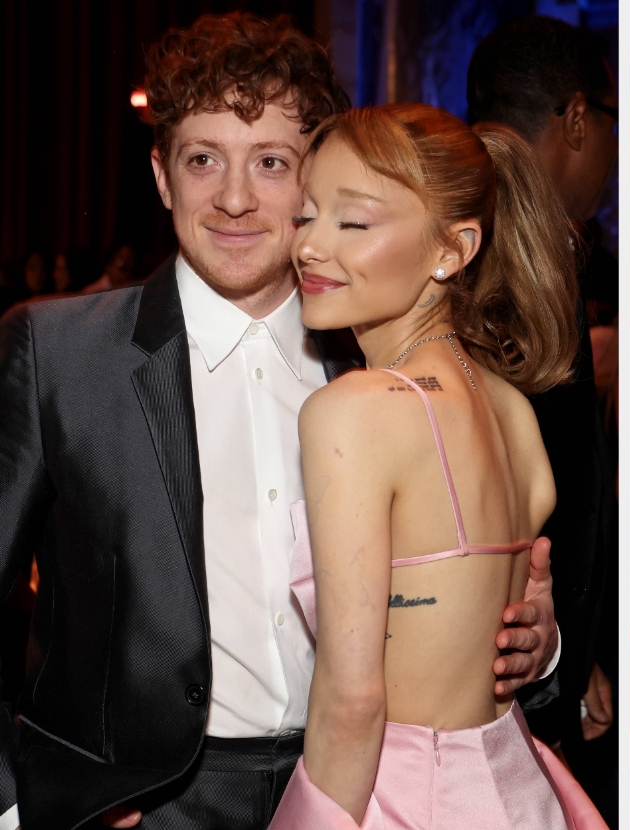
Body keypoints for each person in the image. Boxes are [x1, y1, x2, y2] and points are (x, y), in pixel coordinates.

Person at [0, 14, 559, 830]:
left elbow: (460, 594)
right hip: (143, 808)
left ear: (315, 179)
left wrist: (525, 646)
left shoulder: (380, 363)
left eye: (270, 163)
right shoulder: (58, 353)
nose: (233, 198)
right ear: (162, 177)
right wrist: (24, 803)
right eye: (202, 161)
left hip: (366, 794)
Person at [267, 103, 606, 830]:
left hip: (393, 796)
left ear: (452, 249)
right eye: (306, 216)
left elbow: (354, 701)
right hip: (517, 788)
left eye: (352, 223)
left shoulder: (354, 409)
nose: (310, 247)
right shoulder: (514, 410)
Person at [467, 13, 620, 789]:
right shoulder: (485, 245)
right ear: (578, 118)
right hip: (494, 694)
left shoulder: (548, 246)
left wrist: (578, 647)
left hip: (541, 666)